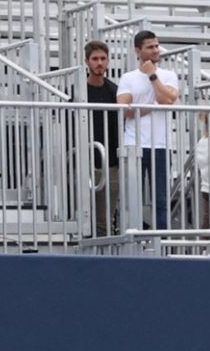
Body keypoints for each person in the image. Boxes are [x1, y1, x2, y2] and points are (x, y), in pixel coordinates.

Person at [116, 29, 179, 229]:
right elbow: (123, 109)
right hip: (134, 143)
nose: (155, 50)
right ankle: (130, 236)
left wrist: (152, 75)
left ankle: (162, 239)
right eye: (150, 47)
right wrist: (150, 106)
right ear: (138, 51)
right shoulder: (128, 77)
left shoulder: (168, 75)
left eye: (156, 46)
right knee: (130, 196)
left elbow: (167, 100)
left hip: (161, 144)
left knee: (161, 198)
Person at [83, 40, 123, 236]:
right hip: (83, 162)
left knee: (105, 219)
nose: (99, 63)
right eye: (95, 59)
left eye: (103, 59)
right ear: (87, 62)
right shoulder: (77, 90)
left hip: (110, 164)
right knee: (81, 214)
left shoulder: (115, 92)